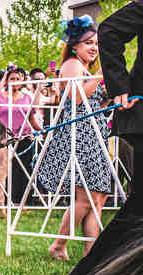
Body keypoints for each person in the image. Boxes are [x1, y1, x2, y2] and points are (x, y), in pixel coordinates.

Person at [64, 0, 143, 275]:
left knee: (132, 204)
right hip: (116, 123)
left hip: (110, 128)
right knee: (134, 204)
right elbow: (109, 30)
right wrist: (120, 87)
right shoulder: (73, 66)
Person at [35, 16, 111, 260]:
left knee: (98, 195)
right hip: (80, 135)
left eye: (97, 44)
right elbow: (76, 98)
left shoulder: (85, 68)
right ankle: (58, 244)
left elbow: (95, 98)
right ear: (75, 45)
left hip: (95, 132)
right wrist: (100, 74)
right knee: (85, 195)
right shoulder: (71, 64)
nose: (94, 48)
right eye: (88, 43)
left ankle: (91, 253)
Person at [0, 67, 42, 205]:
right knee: (4, 170)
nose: (15, 81)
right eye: (12, 79)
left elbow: (32, 119)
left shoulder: (27, 98)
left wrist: (42, 130)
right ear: (7, 81)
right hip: (4, 139)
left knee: (23, 169)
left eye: (18, 79)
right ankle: (3, 200)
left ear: (22, 82)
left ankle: (21, 202)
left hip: (24, 137)